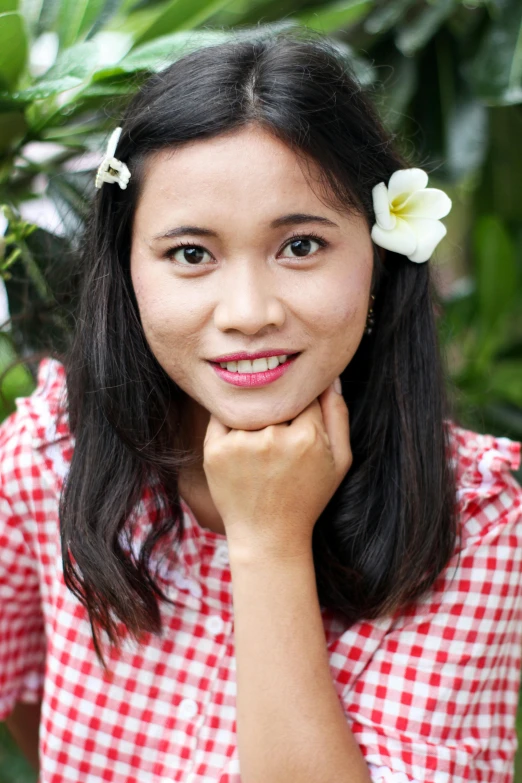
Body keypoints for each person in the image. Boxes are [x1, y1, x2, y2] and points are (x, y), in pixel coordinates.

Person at [1, 29, 521, 783]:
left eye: (301, 246)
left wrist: (268, 539)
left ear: (379, 255)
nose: (248, 312)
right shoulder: (50, 454)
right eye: (190, 254)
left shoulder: (475, 517)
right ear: (127, 272)